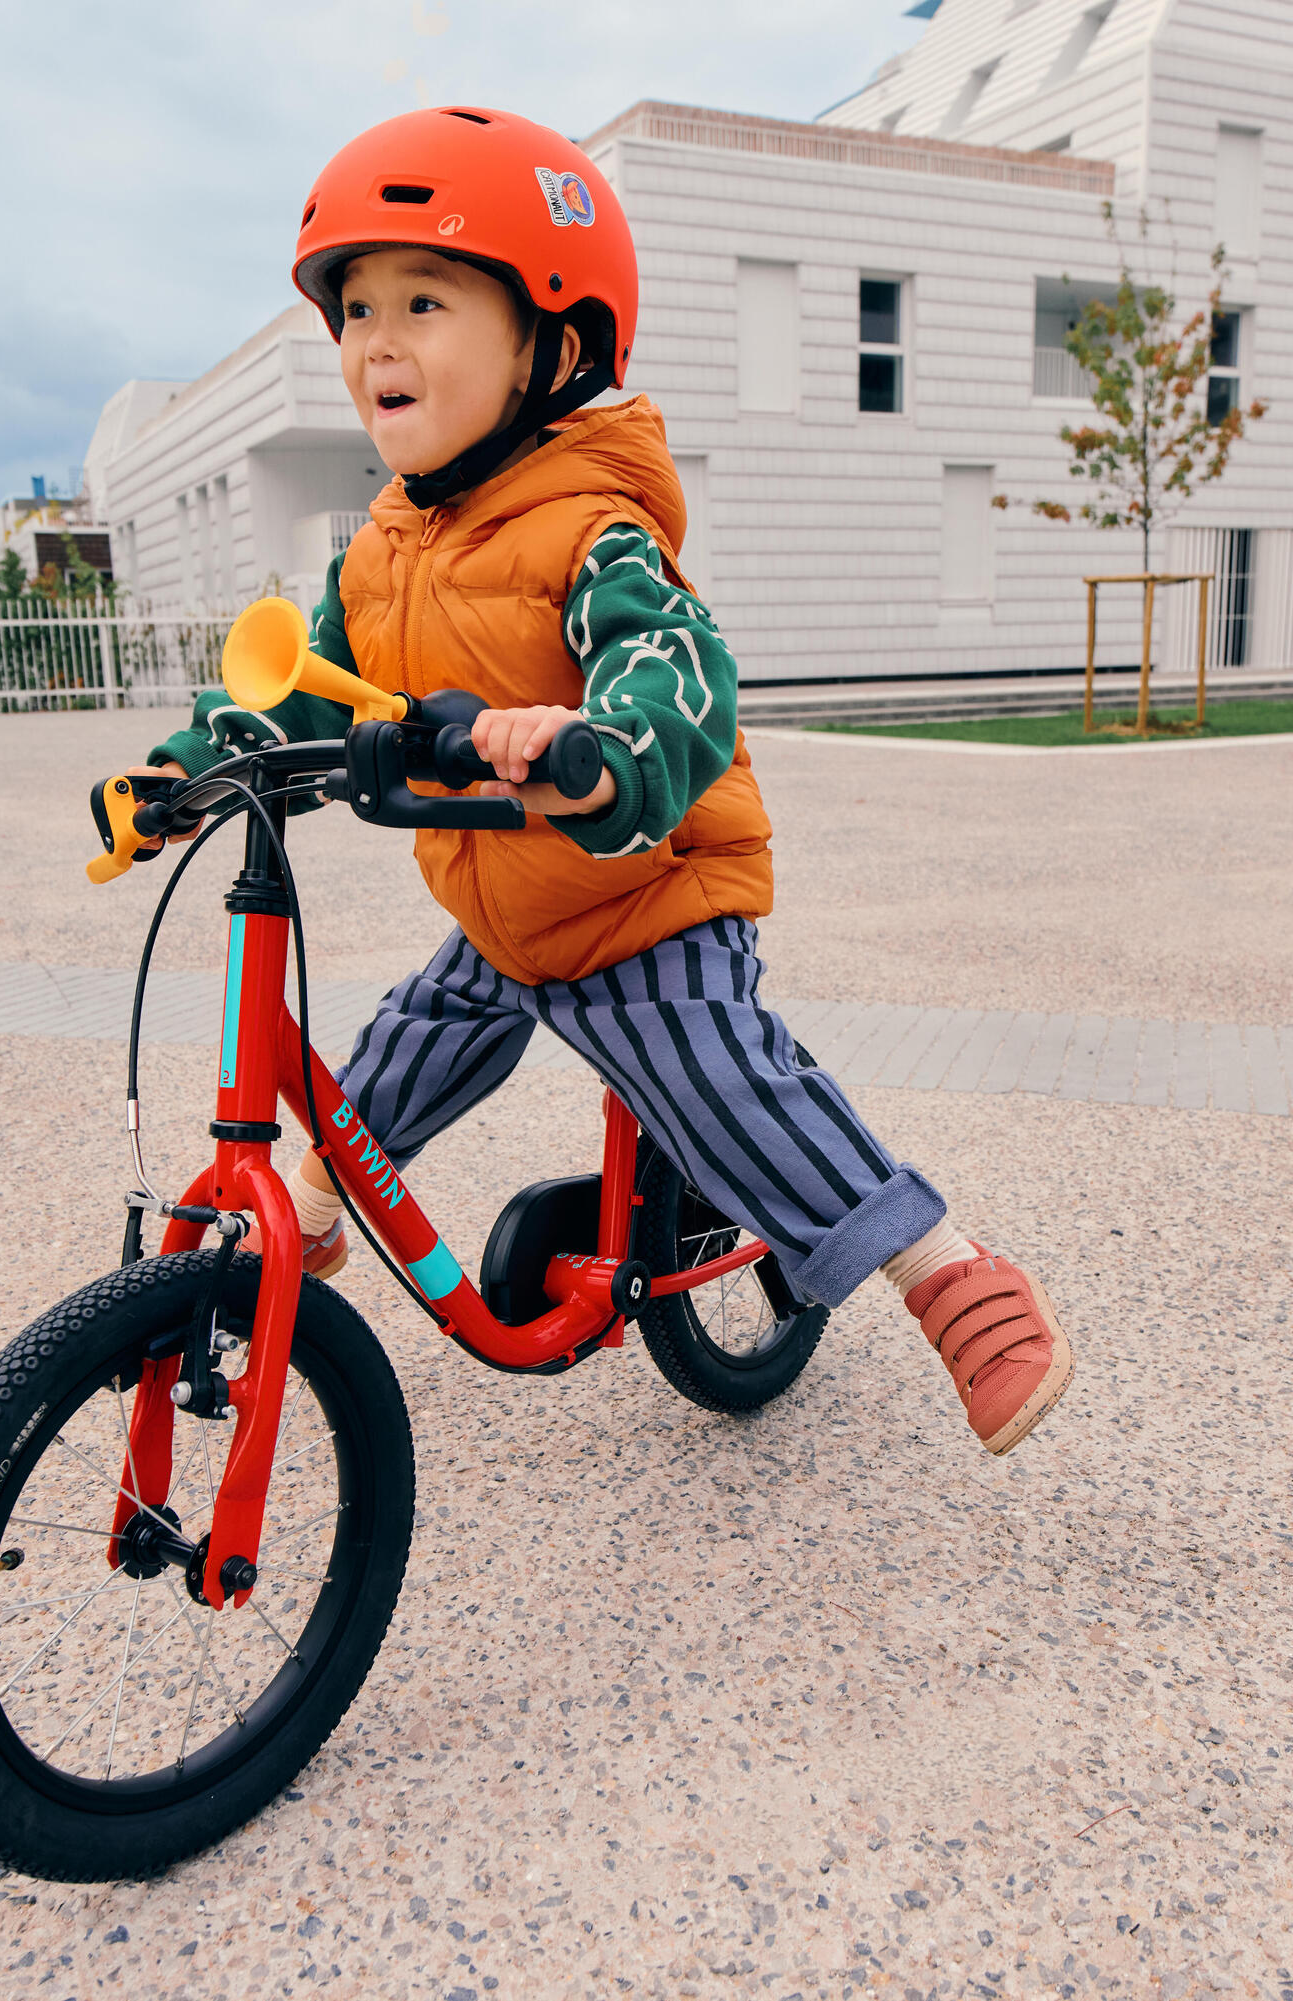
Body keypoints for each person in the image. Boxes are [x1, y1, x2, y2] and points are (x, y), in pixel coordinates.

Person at [137, 108, 1074, 1454]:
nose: (378, 342)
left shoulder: (595, 529)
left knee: (713, 1074)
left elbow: (672, 673)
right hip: (510, 910)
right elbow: (295, 689)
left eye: (424, 302)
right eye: (356, 311)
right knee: (391, 1059)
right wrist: (185, 769)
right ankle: (325, 1209)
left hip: (646, 895)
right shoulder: (378, 556)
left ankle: (947, 1270)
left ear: (550, 342)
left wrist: (603, 752)